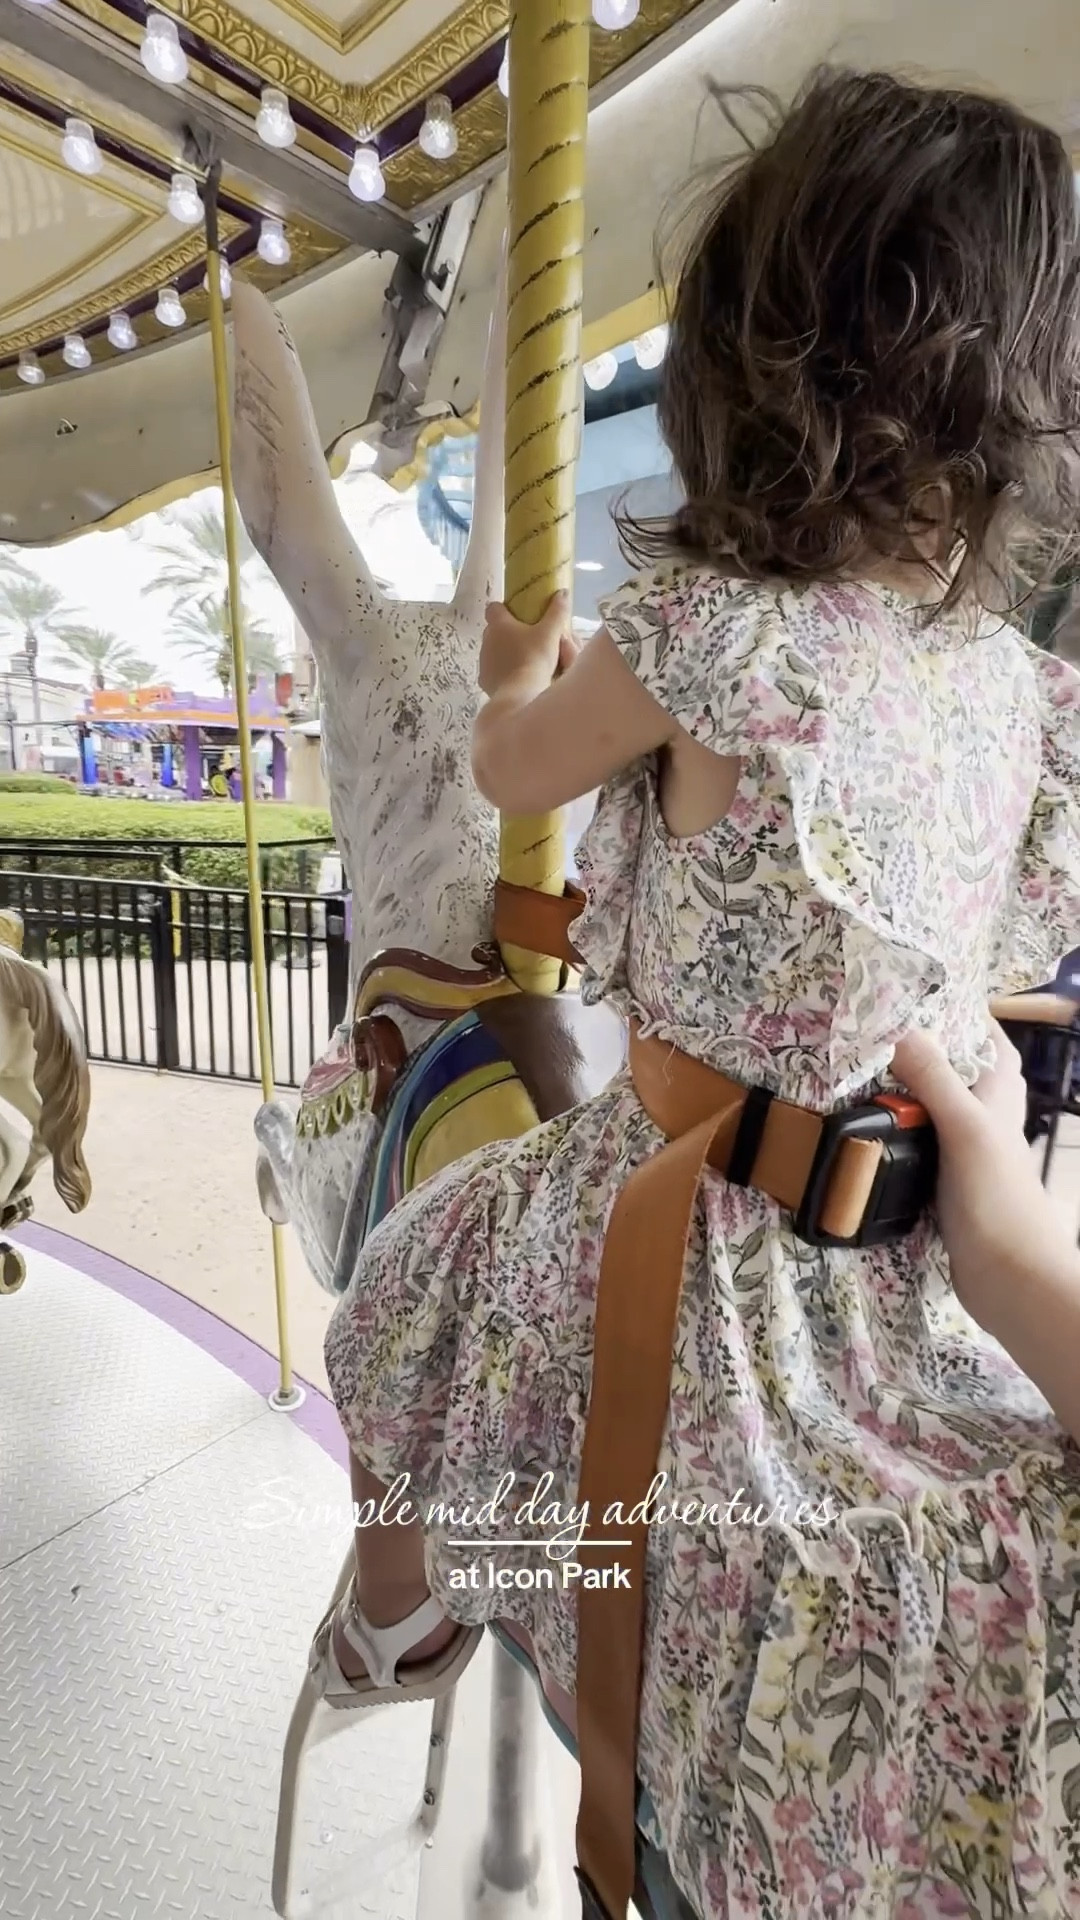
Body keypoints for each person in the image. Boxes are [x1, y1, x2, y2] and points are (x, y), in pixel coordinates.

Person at [321, 68, 1080, 1917]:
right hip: (912, 1269)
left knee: (432, 1263)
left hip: (704, 1227)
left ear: (754, 360)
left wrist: (521, 667)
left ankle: (402, 1601)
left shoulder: (704, 632)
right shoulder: (1008, 696)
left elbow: (511, 779)